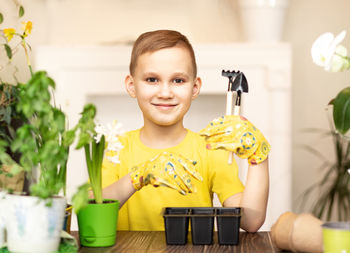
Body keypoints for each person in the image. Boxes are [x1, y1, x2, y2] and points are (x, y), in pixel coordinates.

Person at [101, 30, 270, 232]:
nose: (165, 93)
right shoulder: (117, 148)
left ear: (195, 88)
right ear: (131, 86)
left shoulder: (211, 149)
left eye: (178, 80)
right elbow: (93, 209)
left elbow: (250, 221)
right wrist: (139, 176)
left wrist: (259, 156)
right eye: (152, 80)